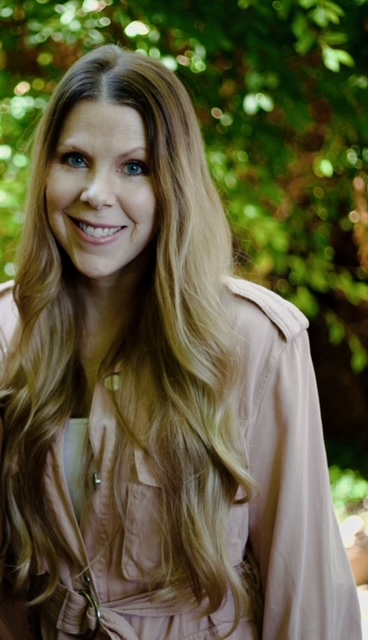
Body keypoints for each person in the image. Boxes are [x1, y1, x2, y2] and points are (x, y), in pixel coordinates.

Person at [0, 44, 361, 640]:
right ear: (46, 170)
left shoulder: (255, 340)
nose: (96, 192)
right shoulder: (9, 330)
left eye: (134, 167)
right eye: (75, 159)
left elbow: (307, 595)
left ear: (175, 183)